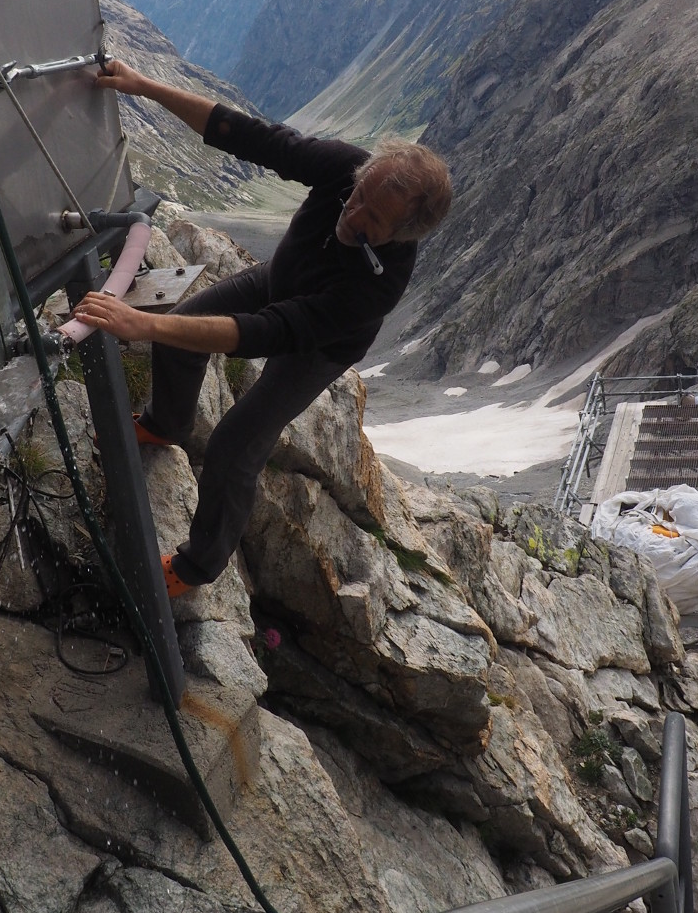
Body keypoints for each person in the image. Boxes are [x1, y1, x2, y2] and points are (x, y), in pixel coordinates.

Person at [73, 60, 452, 597]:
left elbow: (262, 334)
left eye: (372, 216)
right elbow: (252, 137)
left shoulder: (374, 289)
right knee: (183, 331)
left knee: (235, 447)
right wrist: (144, 86)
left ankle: (198, 565)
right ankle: (164, 424)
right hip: (279, 279)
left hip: (316, 345)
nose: (351, 209)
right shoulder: (350, 168)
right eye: (358, 192)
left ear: (399, 235)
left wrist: (142, 324)